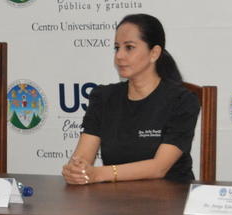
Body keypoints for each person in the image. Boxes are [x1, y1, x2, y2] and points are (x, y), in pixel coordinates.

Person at [61, 13, 200, 185]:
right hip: (116, 198)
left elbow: (159, 168)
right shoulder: (103, 97)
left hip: (171, 197)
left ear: (154, 53)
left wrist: (98, 174)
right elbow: (82, 157)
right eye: (116, 48)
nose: (119, 56)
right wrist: (76, 170)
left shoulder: (182, 100)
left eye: (129, 47)